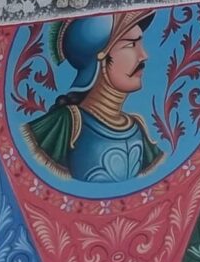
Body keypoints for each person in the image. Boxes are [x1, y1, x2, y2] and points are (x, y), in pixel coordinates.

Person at [23, 10, 164, 182]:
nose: (144, 56)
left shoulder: (138, 128)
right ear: (100, 57)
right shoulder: (65, 124)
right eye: (131, 44)